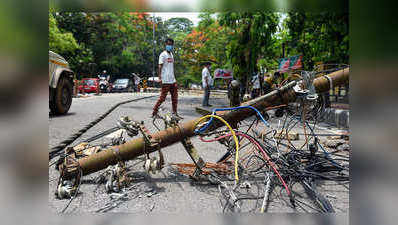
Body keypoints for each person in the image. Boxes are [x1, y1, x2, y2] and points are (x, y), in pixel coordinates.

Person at [152, 38, 181, 118]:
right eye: (168, 44)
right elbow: (160, 66)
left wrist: (174, 77)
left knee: (175, 98)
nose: (170, 46)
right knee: (162, 98)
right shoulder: (163, 54)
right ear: (165, 45)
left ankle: (174, 113)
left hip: (172, 80)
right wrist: (160, 77)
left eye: (171, 45)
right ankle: (154, 111)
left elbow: (171, 67)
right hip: (165, 80)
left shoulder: (171, 55)